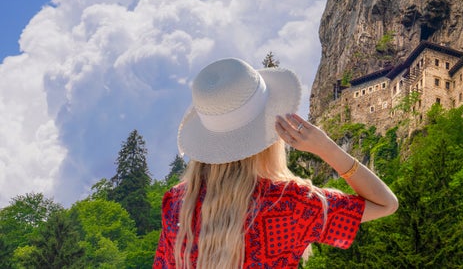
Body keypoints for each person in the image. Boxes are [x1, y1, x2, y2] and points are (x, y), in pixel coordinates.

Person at [153, 58, 398, 268]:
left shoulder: (176, 205)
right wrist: (326, 148)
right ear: (270, 134)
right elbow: (385, 203)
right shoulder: (289, 204)